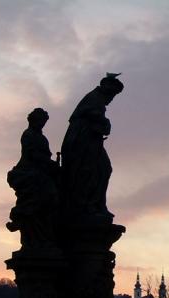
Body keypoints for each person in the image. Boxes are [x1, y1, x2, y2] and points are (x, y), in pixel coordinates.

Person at [61, 73, 124, 222]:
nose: (112, 98)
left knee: (104, 169)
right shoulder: (94, 98)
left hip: (92, 142)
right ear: (107, 89)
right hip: (83, 143)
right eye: (113, 94)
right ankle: (86, 205)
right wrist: (103, 122)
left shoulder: (97, 100)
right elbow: (88, 116)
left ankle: (96, 204)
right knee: (89, 171)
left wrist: (103, 124)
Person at [7, 108, 59, 249]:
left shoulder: (41, 137)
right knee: (43, 198)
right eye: (40, 121)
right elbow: (33, 155)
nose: (42, 124)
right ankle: (34, 237)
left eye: (44, 122)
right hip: (30, 172)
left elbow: (45, 156)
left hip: (40, 171)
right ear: (33, 120)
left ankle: (44, 235)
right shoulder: (29, 135)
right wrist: (51, 164)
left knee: (50, 199)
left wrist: (52, 165)